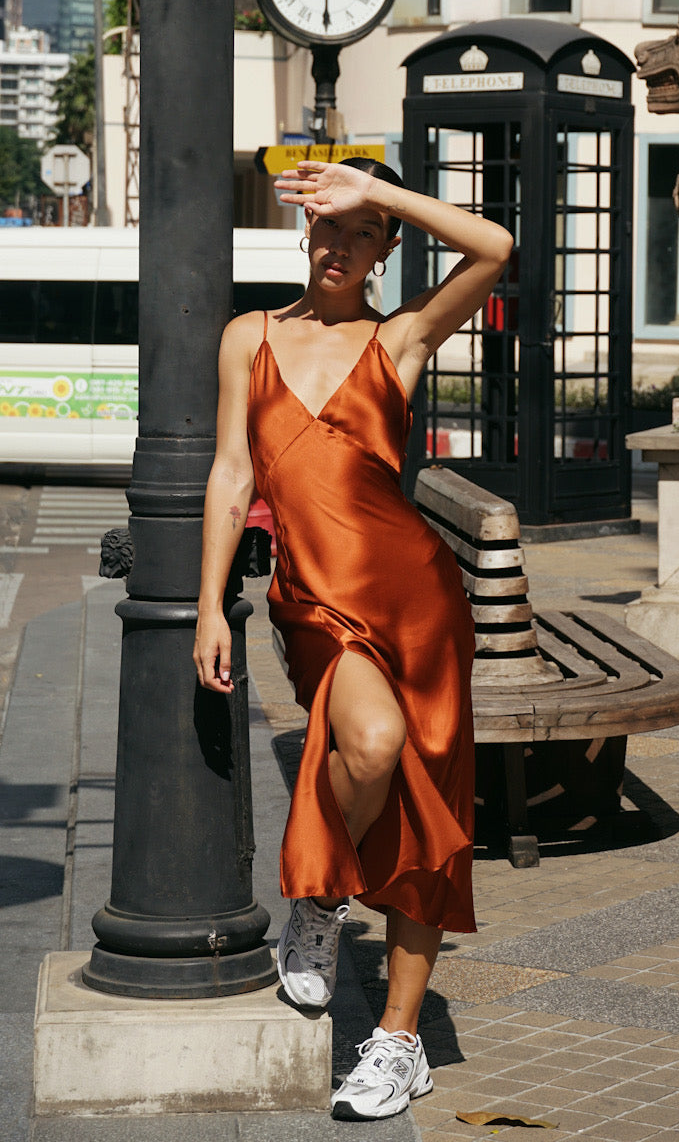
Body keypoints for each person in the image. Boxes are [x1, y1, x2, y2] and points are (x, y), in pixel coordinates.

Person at [193, 157, 513, 1121]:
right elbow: (230, 475)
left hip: (417, 601)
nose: (339, 245)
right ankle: (320, 898)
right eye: (328, 227)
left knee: (430, 812)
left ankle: (399, 1043)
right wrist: (212, 604)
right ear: (303, 234)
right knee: (369, 748)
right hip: (317, 604)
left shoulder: (402, 339)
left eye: (362, 232)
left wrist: (378, 192)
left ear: (385, 248)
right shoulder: (248, 337)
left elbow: (494, 247)